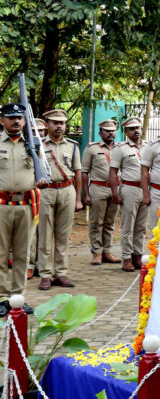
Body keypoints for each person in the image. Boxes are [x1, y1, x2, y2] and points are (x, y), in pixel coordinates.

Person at [0, 103, 41, 315]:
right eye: (11, 117)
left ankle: (17, 297)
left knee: (23, 254)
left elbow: (42, 172)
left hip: (26, 205)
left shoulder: (34, 145)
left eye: (19, 117)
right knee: (0, 253)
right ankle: (1, 297)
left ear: (24, 121)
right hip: (2, 206)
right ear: (2, 121)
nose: (16, 121)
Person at [36, 109, 83, 290]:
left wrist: (78, 199)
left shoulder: (73, 145)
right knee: (45, 234)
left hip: (67, 189)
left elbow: (78, 172)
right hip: (46, 191)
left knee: (63, 235)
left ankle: (61, 273)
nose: (59, 126)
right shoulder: (38, 145)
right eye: (55, 123)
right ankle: (46, 274)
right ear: (47, 124)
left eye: (62, 123)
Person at [109, 117, 148, 272]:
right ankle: (126, 258)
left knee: (142, 226)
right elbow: (113, 172)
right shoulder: (121, 148)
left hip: (145, 189)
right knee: (127, 226)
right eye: (132, 129)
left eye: (138, 127)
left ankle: (137, 255)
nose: (136, 131)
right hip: (129, 189)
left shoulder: (147, 146)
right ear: (126, 132)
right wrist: (115, 192)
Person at [82, 120, 122, 266]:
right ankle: (96, 252)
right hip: (98, 188)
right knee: (96, 222)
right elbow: (84, 172)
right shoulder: (92, 149)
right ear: (100, 133)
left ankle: (107, 251)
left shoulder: (120, 148)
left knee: (110, 222)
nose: (111, 133)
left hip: (115, 189)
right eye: (107, 130)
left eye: (113, 130)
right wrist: (86, 194)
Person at [27, 118, 47, 279]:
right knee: (31, 232)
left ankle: (42, 265)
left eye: (40, 131)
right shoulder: (26, 147)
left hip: (46, 192)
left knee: (45, 233)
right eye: (34, 131)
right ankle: (29, 265)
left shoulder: (47, 147)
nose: (38, 134)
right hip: (30, 194)